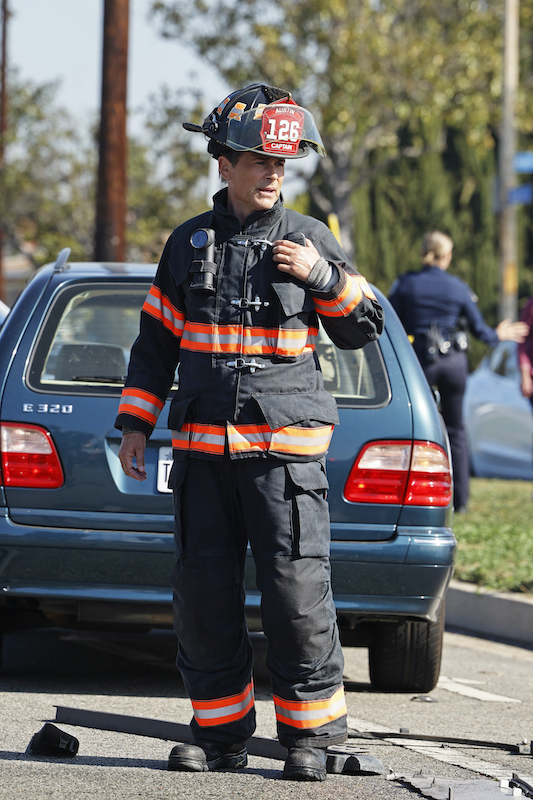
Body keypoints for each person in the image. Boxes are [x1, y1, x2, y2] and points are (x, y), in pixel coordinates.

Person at [115, 84, 384, 782]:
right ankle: (219, 737)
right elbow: (155, 345)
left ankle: (311, 739)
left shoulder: (311, 239)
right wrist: (136, 424)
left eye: (280, 164)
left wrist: (322, 277)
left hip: (284, 464)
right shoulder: (186, 244)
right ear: (224, 165)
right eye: (259, 161)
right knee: (204, 602)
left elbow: (362, 328)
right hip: (203, 459)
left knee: (297, 600)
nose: (272, 174)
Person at [389, 230, 527, 513]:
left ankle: (410, 494)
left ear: (423, 252)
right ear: (447, 255)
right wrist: (497, 334)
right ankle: (461, 500)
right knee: (456, 430)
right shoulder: (458, 287)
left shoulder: (406, 284)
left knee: (412, 426)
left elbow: (391, 322)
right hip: (454, 364)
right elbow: (480, 329)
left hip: (422, 362)